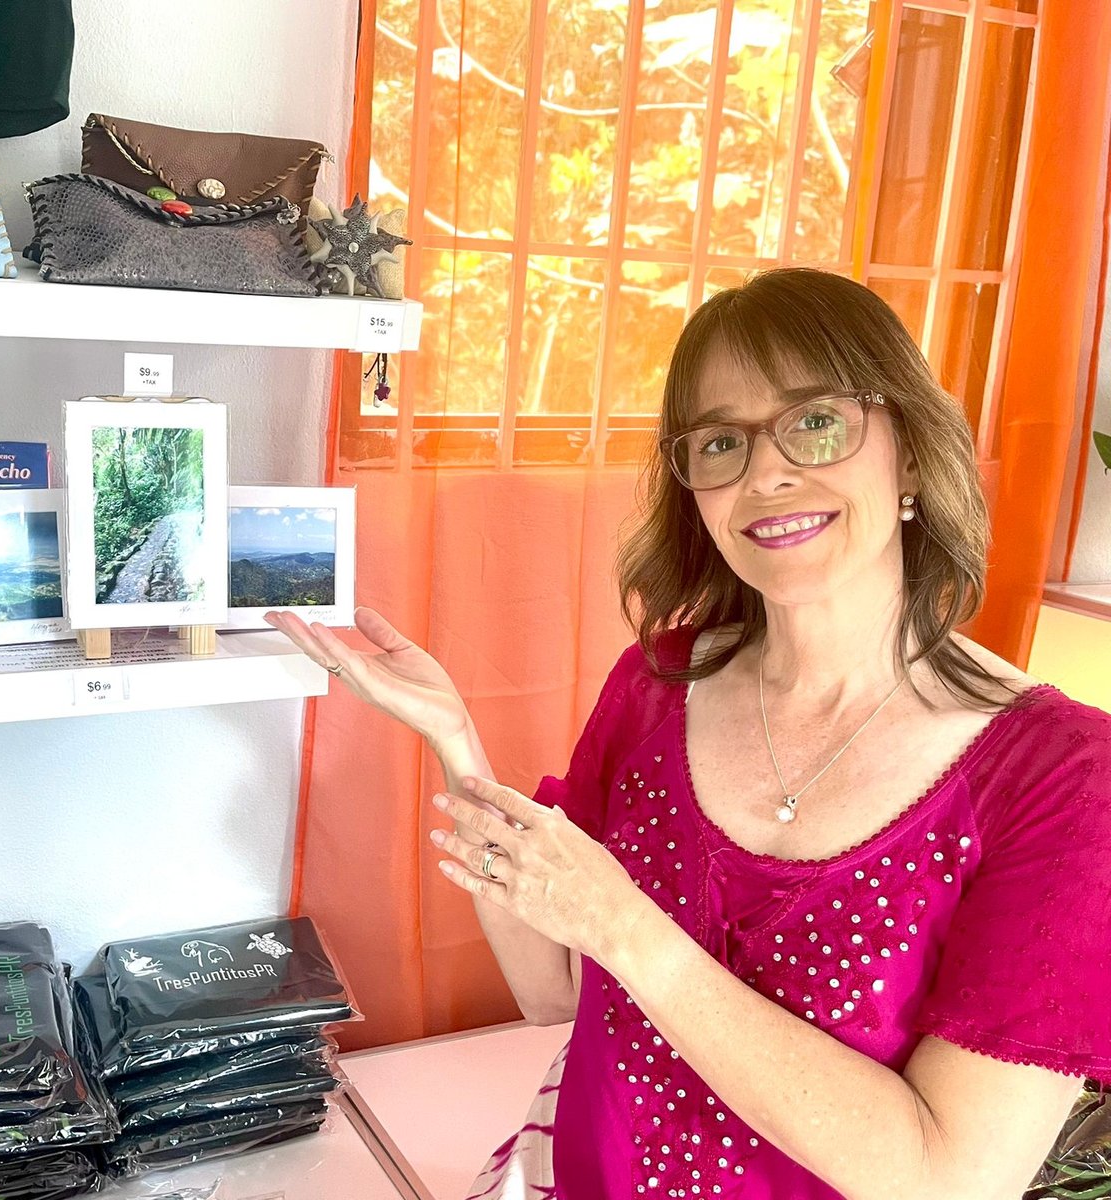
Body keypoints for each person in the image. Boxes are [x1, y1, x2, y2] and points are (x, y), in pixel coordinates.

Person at [265, 268, 1111, 1199]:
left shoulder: (1064, 776)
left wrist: (632, 932)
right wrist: (456, 742)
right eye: (719, 442)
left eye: (815, 421)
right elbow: (554, 989)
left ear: (910, 453)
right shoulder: (661, 681)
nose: (765, 474)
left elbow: (950, 1179)